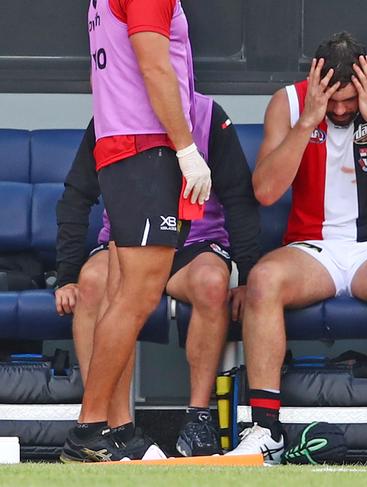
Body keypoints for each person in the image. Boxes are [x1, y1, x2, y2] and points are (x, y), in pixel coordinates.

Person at [225, 32, 367, 465]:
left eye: (349, 101)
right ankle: (265, 429)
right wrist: (307, 121)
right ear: (315, 79)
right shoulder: (290, 102)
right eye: (331, 101)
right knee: (262, 279)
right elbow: (264, 191)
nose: (339, 110)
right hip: (310, 250)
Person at [55, 93, 260, 458]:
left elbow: (239, 198)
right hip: (128, 242)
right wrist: (67, 273)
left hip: (193, 246)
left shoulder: (208, 115)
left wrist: (244, 275)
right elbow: (77, 194)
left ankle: (198, 418)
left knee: (213, 284)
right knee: (90, 284)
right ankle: (100, 425)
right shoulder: (113, 111)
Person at [60, 0, 212, 462]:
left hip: (124, 146)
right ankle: (89, 429)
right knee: (137, 297)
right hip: (146, 146)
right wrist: (186, 148)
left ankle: (117, 429)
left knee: (124, 293)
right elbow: (154, 66)